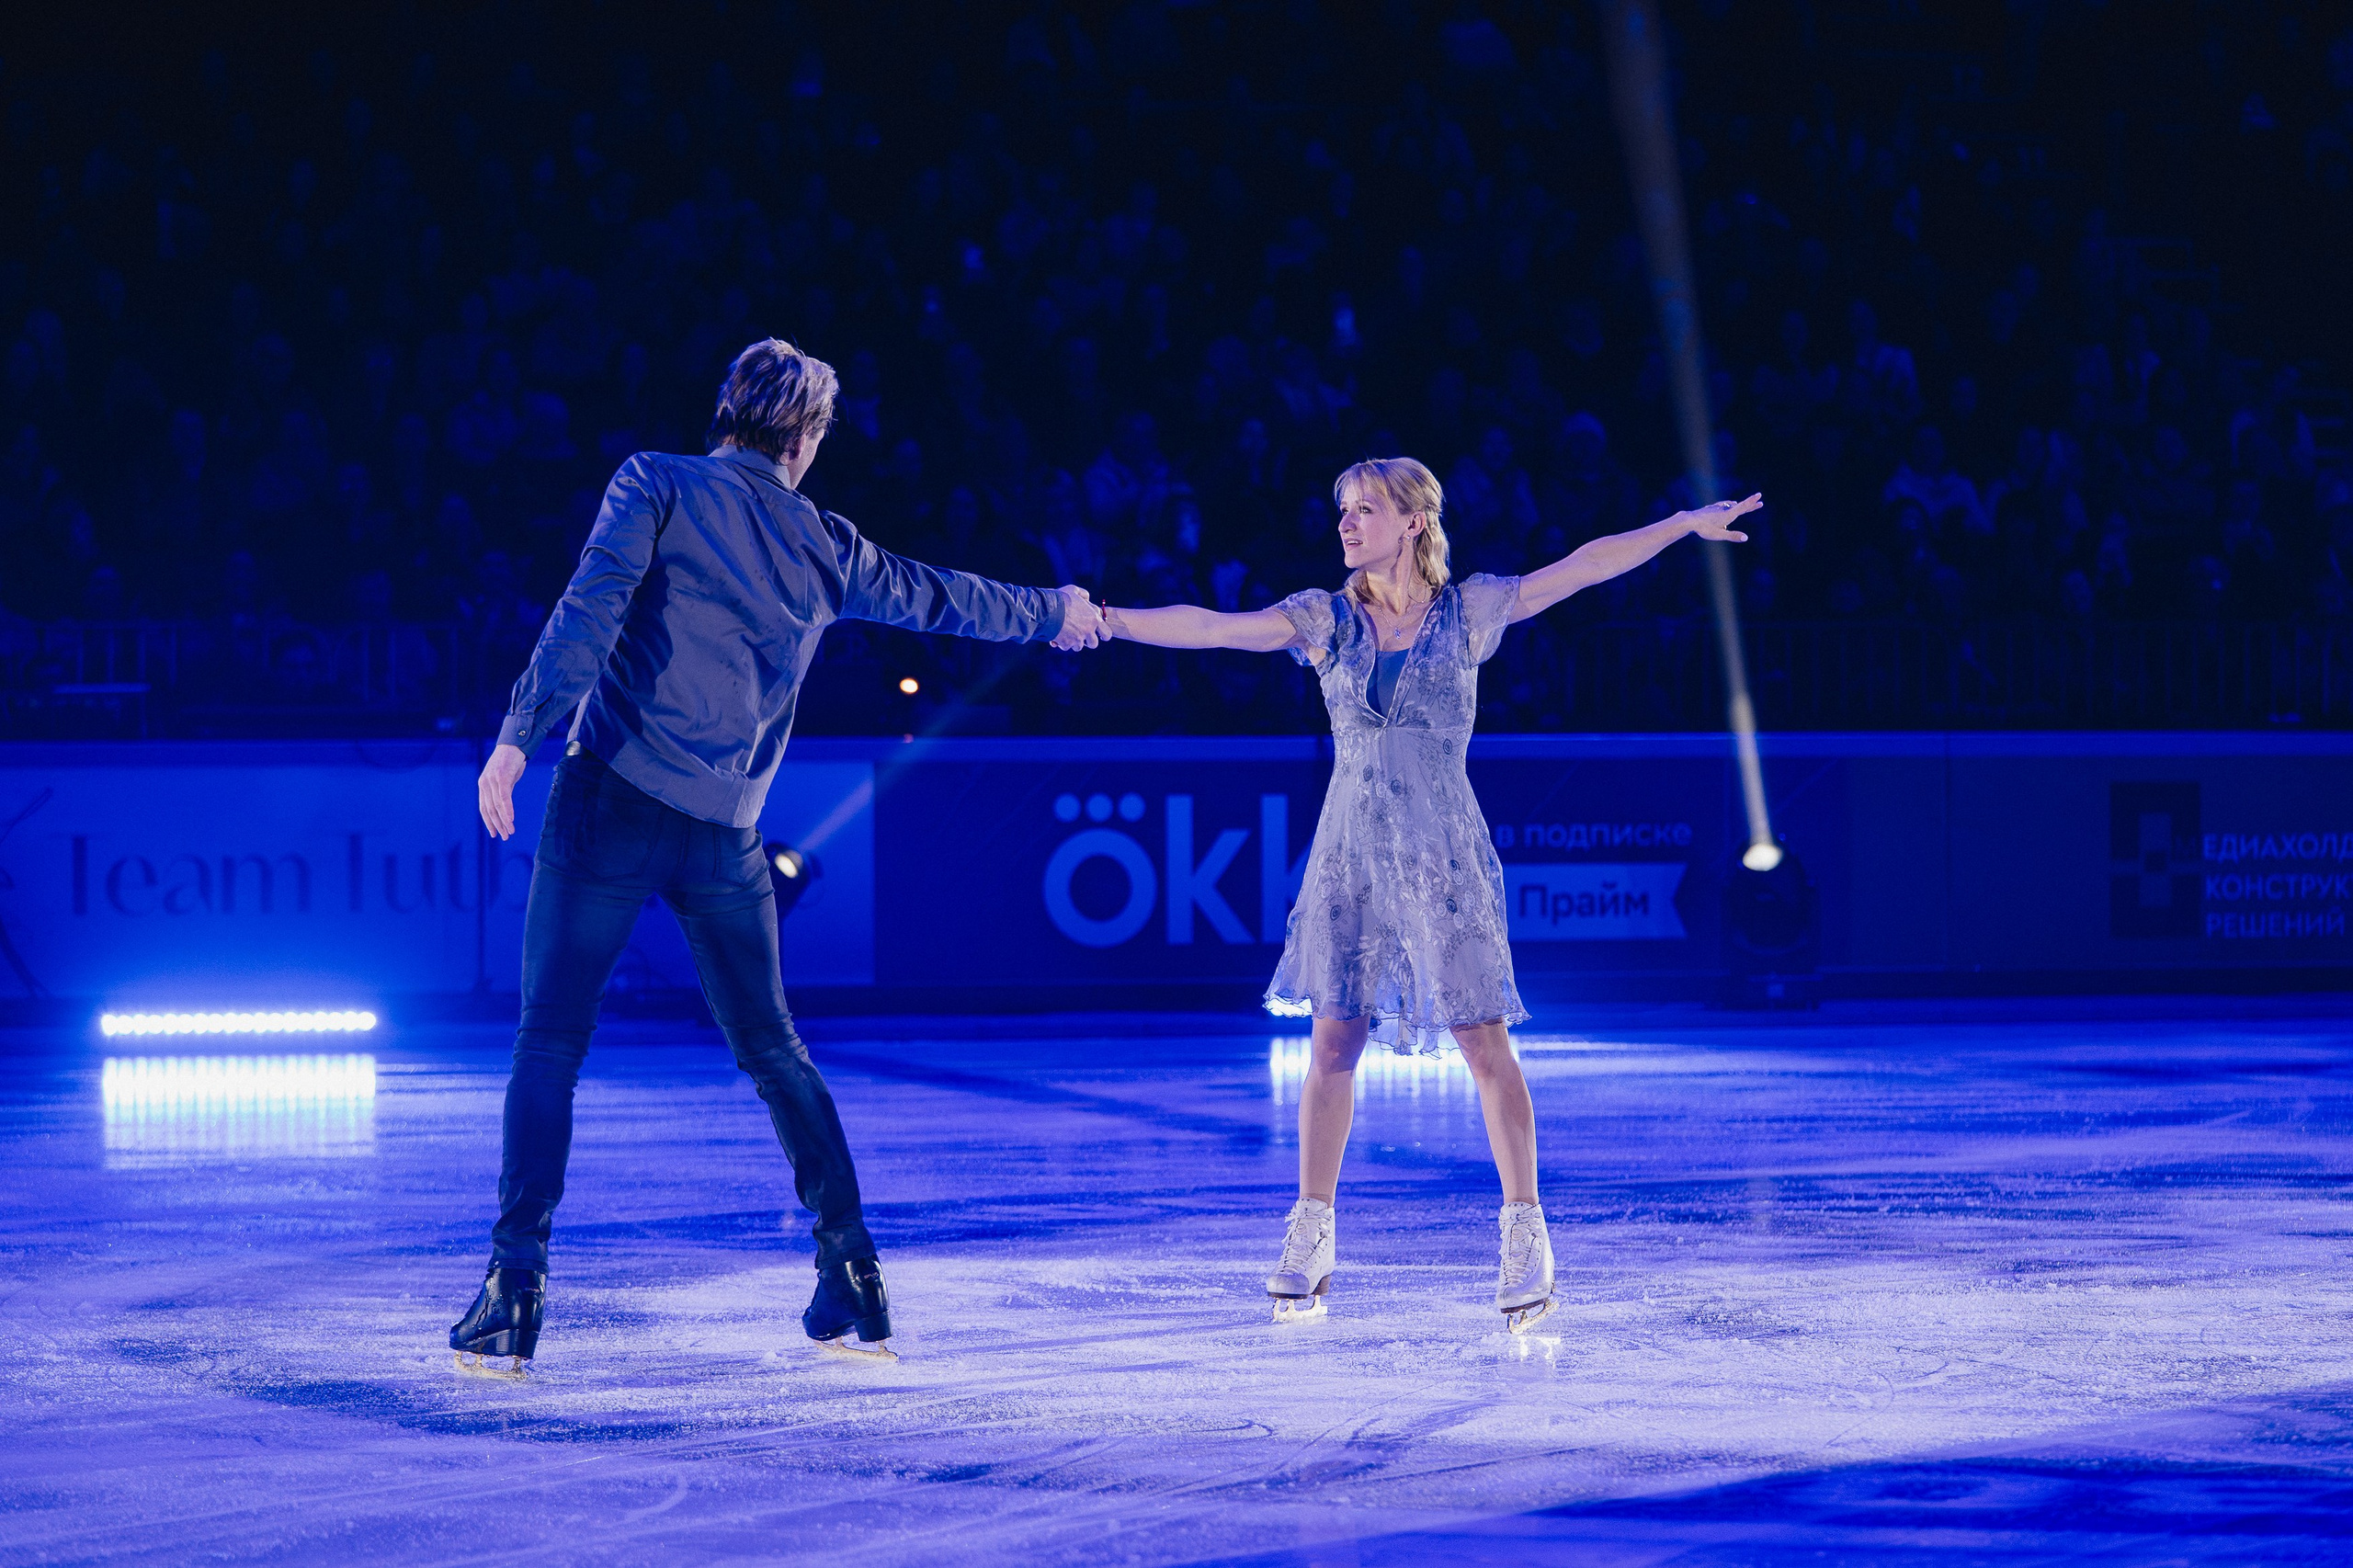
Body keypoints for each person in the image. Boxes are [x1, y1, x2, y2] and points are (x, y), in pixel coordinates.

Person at [450, 338, 1108, 1374]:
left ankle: (515, 1284)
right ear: (803, 440)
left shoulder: (655, 482)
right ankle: (850, 1266)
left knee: (551, 1042)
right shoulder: (825, 542)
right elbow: (942, 596)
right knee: (774, 1050)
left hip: (610, 803)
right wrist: (1055, 611)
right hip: (723, 834)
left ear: (728, 413)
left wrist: (516, 735)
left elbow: (590, 606)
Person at [1100, 458, 1756, 1333]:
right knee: (1332, 1044)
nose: (1347, 521)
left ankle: (1526, 1235)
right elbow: (1217, 628)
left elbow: (1585, 565)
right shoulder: (1322, 618)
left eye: (1367, 508)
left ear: (1415, 520)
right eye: (1342, 508)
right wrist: (1107, 619)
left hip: (1442, 855)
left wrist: (1680, 525)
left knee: (1483, 1045)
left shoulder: (1466, 611)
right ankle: (1310, 1233)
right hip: (1350, 857)